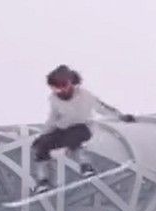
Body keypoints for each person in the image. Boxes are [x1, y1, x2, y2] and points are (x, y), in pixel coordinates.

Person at [30, 65, 136, 194]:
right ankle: (43, 181)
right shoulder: (54, 99)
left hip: (83, 128)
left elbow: (102, 108)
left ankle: (86, 166)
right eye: (56, 88)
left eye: (63, 86)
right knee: (41, 145)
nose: (60, 91)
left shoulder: (85, 96)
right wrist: (43, 136)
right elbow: (52, 119)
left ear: (71, 83)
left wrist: (121, 116)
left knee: (73, 138)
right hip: (62, 129)